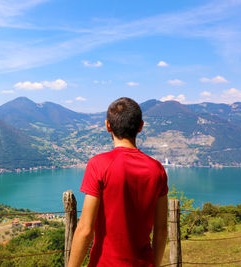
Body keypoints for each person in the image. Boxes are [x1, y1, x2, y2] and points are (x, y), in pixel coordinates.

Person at [68, 97, 168, 267]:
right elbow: (161, 230)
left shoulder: (98, 165)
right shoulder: (157, 169)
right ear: (140, 126)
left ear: (108, 126)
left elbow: (85, 230)